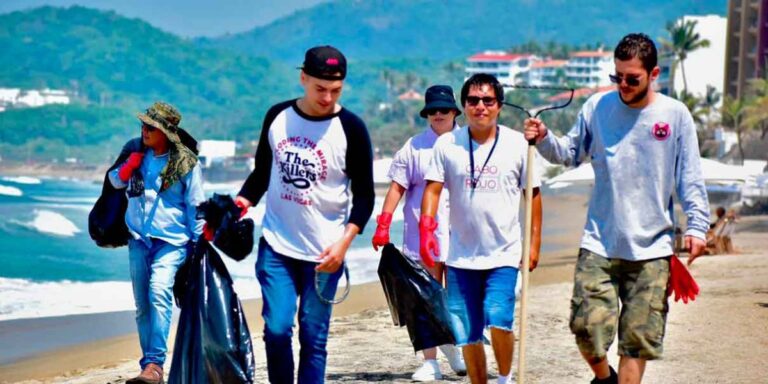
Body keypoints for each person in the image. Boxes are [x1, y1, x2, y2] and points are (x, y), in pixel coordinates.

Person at [524, 33, 709, 384]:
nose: (622, 85)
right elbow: (568, 153)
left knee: (636, 344)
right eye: (617, 76)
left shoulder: (675, 115)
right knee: (586, 329)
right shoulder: (598, 107)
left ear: (654, 74)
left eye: (632, 79)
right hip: (599, 243)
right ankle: (604, 378)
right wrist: (544, 137)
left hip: (653, 251)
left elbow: (690, 178)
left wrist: (698, 228)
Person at [235, 45, 375, 384]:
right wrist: (241, 203)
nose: (327, 98)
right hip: (277, 245)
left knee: (314, 338)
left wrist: (344, 245)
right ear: (303, 78)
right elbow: (262, 173)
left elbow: (365, 197)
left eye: (335, 90)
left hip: (325, 254)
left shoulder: (351, 128)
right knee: (277, 328)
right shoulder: (278, 117)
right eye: (320, 88)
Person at [420, 73, 543, 384]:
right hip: (460, 257)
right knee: (467, 333)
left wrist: (533, 245)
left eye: (488, 100)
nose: (480, 106)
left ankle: (504, 377)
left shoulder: (518, 144)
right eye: (473, 100)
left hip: (503, 254)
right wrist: (427, 231)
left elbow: (533, 196)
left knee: (499, 319)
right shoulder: (448, 144)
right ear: (464, 106)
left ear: (499, 105)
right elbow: (432, 190)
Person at [371, 85, 466, 381]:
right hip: (421, 234)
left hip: (462, 232)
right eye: (432, 110)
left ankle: (456, 346)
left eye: (444, 109)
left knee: (458, 296)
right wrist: (383, 224)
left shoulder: (467, 143)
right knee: (424, 297)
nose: (438, 114)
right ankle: (431, 362)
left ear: (454, 112)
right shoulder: (414, 147)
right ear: (426, 114)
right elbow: (397, 187)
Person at [108, 101, 205, 384]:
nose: (145, 131)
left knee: (159, 292)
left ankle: (154, 364)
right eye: (143, 125)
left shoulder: (186, 163)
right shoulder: (135, 151)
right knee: (143, 307)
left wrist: (199, 247)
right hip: (139, 240)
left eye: (151, 127)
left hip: (172, 242)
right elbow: (114, 181)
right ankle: (149, 367)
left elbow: (195, 206)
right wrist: (129, 165)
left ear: (166, 132)